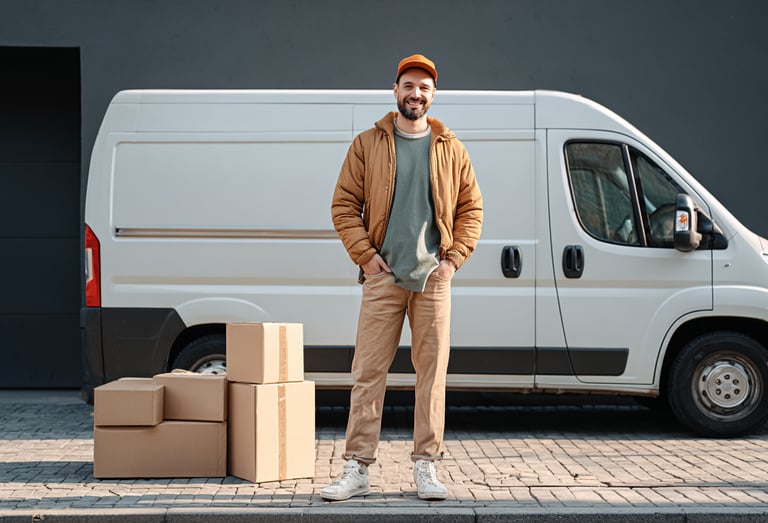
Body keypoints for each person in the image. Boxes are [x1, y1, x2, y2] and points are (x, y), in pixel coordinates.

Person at [323, 54, 483, 501]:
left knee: (431, 376)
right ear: (395, 90)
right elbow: (343, 205)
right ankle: (357, 468)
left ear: (433, 95)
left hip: (434, 278)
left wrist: (452, 260)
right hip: (383, 278)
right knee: (368, 372)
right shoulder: (367, 143)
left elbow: (472, 210)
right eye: (409, 85)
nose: (416, 94)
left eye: (424, 88)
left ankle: (426, 467)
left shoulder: (451, 148)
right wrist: (367, 257)